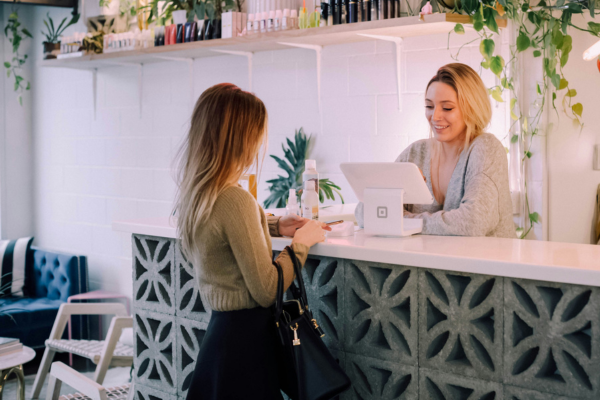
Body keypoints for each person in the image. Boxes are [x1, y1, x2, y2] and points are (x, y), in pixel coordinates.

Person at [175, 83, 330, 400]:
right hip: (246, 349)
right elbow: (265, 289)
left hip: (220, 340)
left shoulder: (200, 194)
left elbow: (224, 231)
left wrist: (272, 225)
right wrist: (300, 244)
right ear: (241, 138)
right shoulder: (235, 199)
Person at [356, 63, 514, 238]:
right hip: (430, 262)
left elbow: (473, 222)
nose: (435, 116)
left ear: (472, 108)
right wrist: (396, 195)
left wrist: (404, 221)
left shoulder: (486, 148)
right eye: (429, 106)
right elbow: (364, 213)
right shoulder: (416, 153)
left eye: (447, 108)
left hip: (484, 263)